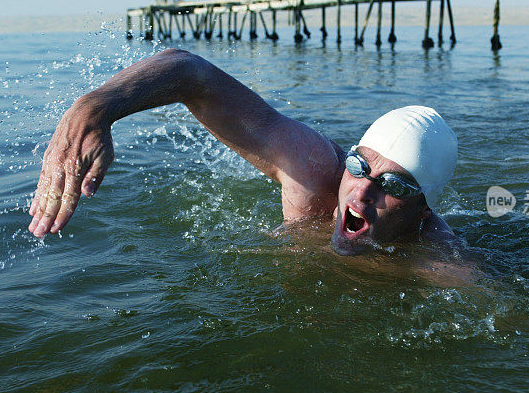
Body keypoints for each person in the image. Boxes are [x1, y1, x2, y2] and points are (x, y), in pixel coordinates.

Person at [28, 48, 459, 256]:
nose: (361, 193)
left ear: (423, 212)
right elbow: (190, 73)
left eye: (393, 185)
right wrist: (95, 108)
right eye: (358, 165)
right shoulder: (314, 174)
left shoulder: (439, 264)